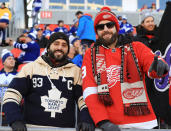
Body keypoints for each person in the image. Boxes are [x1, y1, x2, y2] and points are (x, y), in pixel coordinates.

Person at [81, 7, 169, 130]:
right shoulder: (90, 54)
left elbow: (151, 62)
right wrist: (102, 121)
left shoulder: (136, 47)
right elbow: (89, 90)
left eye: (109, 25)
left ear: (116, 27)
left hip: (145, 123)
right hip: (111, 126)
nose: (106, 29)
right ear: (97, 31)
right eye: (101, 27)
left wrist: (159, 65)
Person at [3, 32, 95, 131]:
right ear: (48, 47)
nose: (60, 47)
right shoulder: (30, 68)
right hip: (32, 129)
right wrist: (15, 119)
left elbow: (84, 99)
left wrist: (86, 118)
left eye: (64, 45)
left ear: (68, 49)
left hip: (65, 130)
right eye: (56, 44)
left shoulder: (76, 71)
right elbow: (11, 95)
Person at [0, 49, 17, 125]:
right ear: (3, 62)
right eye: (9, 58)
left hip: (13, 105)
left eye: (13, 58)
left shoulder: (19, 75)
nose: (12, 60)